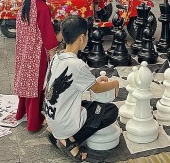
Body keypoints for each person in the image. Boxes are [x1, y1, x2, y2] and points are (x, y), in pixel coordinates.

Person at [44, 15, 119, 161]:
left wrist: (94, 80)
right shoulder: (76, 65)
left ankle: (54, 131)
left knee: (89, 105)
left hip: (51, 116)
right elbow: (96, 89)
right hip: (63, 123)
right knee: (110, 111)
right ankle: (69, 142)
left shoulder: (57, 57)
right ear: (81, 37)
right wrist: (115, 83)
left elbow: (80, 83)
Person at [13, 0, 60, 132]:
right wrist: (53, 57)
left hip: (23, 51)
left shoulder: (24, 5)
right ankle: (33, 122)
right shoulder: (42, 7)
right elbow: (47, 35)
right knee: (36, 85)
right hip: (37, 53)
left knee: (26, 82)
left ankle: (21, 112)